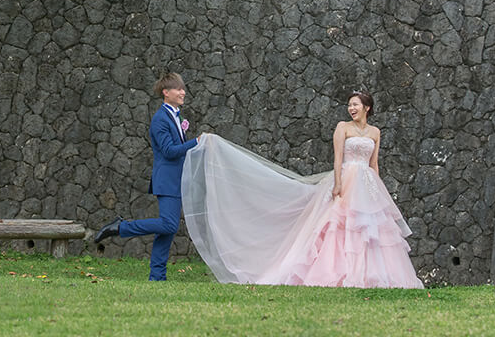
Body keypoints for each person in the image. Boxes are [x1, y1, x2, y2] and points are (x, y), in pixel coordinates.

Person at [181, 91, 423, 288]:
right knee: (339, 225)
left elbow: (374, 163)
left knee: (369, 229)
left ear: (367, 108)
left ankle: (373, 276)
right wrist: (338, 183)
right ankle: (338, 273)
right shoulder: (342, 127)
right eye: (349, 104)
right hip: (347, 178)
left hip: (368, 182)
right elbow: (337, 159)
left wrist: (377, 190)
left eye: (356, 105)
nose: (351, 108)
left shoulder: (375, 132)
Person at [94, 72, 201, 281]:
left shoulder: (175, 115)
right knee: (169, 225)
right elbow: (169, 151)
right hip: (166, 179)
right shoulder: (160, 119)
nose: (183, 92)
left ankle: (157, 276)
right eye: (178, 89)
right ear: (165, 92)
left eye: (183, 88)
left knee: (167, 231)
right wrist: (196, 142)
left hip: (176, 180)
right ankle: (120, 227)